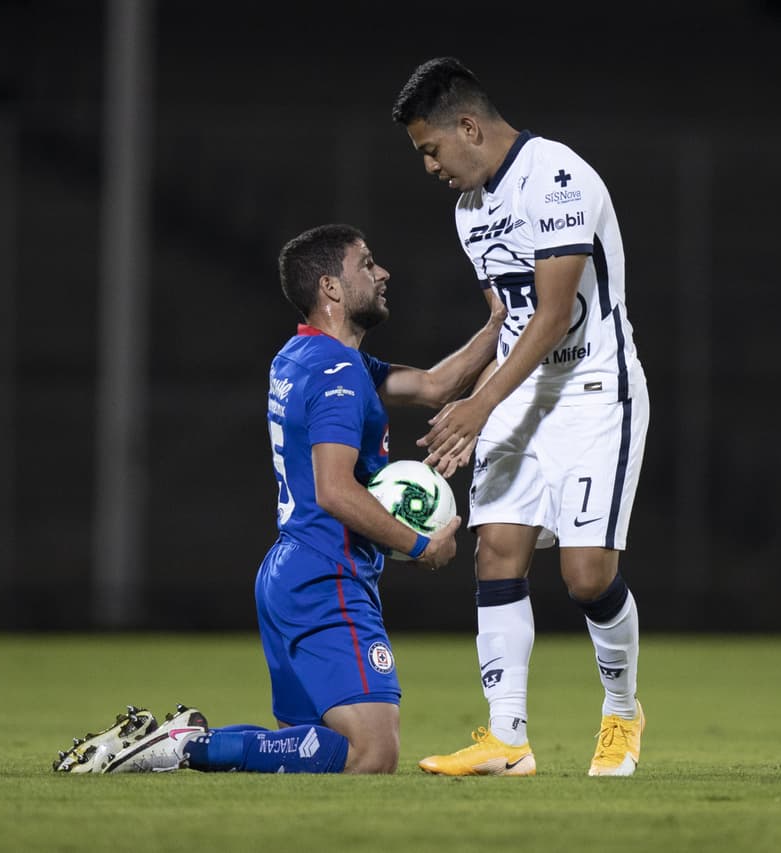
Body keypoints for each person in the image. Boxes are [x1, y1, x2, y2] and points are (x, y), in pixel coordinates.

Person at [52, 223, 505, 774]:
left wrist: (500, 325)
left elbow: (435, 385)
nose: (382, 273)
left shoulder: (302, 356)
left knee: (309, 748)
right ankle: (183, 745)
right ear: (331, 289)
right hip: (326, 575)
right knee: (373, 752)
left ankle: (180, 740)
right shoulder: (338, 372)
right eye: (366, 264)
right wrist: (420, 545)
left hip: (290, 570)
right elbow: (335, 491)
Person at [390, 57, 651, 777]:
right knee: (496, 551)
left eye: (431, 149)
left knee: (588, 575)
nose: (430, 167)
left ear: (468, 126)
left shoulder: (558, 177)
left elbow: (556, 313)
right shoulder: (469, 209)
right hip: (519, 394)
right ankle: (508, 740)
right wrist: (453, 380)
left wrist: (478, 405)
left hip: (594, 391)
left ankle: (623, 713)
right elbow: (508, 317)